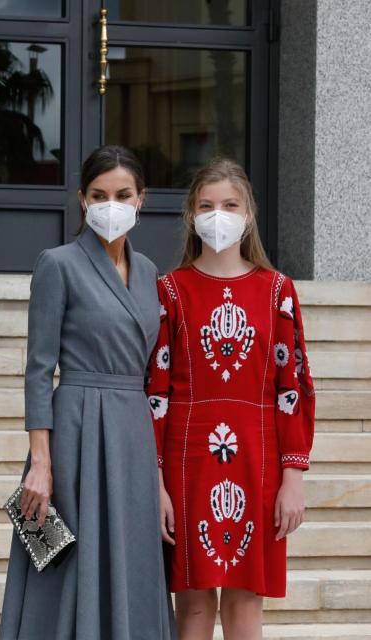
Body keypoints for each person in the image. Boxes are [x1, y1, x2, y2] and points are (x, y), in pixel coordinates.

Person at [0, 145, 176, 639]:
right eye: (99, 195)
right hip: (76, 429)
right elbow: (39, 370)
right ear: (82, 199)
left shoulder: (150, 273)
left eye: (122, 194)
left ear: (141, 199)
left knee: (131, 558)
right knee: (69, 562)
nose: (110, 205)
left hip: (133, 432)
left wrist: (160, 473)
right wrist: (40, 463)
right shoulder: (57, 264)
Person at [146, 158, 315, 639]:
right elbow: (154, 392)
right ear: (190, 215)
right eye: (206, 205)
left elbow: (293, 388)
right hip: (187, 460)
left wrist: (293, 476)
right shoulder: (169, 291)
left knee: (245, 603)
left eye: (229, 205)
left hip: (258, 460)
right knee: (193, 605)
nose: (217, 215)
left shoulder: (278, 291)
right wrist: (156, 481)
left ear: (248, 214)